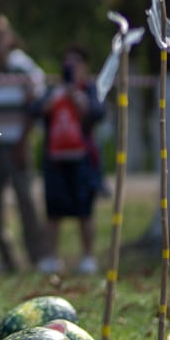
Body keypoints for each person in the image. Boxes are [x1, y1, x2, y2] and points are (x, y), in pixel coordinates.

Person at [0, 15, 46, 272]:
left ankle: (38, 257)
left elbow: (36, 102)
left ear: (9, 39)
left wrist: (25, 139)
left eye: (0, 37)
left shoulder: (22, 66)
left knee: (26, 201)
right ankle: (6, 259)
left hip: (18, 143)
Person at [35, 44, 105, 275]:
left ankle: (87, 257)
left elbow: (98, 113)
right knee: (53, 211)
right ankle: (51, 258)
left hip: (82, 158)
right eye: (67, 61)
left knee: (84, 210)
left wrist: (79, 100)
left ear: (84, 65)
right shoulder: (54, 90)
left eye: (75, 61)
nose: (70, 65)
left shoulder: (89, 89)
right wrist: (52, 100)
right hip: (55, 158)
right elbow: (35, 111)